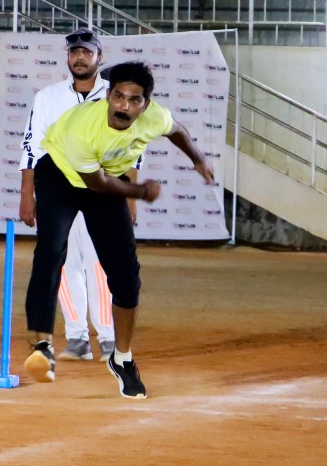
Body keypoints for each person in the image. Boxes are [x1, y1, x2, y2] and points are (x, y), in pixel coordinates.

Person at [23, 61, 216, 399]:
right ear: (108, 96)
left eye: (133, 100)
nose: (124, 106)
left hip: (109, 179)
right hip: (61, 177)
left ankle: (123, 358)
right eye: (118, 97)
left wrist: (198, 159)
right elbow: (95, 182)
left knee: (126, 275)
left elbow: (177, 131)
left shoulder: (155, 116)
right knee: (51, 252)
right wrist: (140, 192)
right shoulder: (84, 127)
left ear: (146, 105)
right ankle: (42, 345)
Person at [18, 30, 117, 364]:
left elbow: (131, 147)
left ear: (99, 58)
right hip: (57, 191)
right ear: (68, 57)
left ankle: (108, 338)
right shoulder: (48, 96)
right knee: (63, 265)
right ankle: (77, 338)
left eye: (86, 53)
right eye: (74, 52)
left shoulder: (114, 96)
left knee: (100, 264)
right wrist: (26, 195)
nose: (79, 57)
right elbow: (32, 146)